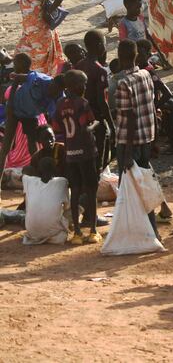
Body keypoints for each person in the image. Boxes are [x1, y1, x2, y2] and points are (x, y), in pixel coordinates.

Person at [114, 39, 160, 235]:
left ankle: (142, 230)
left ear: (119, 57)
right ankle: (149, 228)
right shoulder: (146, 75)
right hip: (147, 137)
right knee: (144, 184)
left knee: (129, 188)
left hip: (129, 141)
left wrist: (127, 152)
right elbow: (151, 106)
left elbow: (130, 117)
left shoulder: (123, 83)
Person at [53, 70, 101, 245]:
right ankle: (94, 231)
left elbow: (57, 129)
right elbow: (85, 126)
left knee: (75, 189)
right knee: (91, 189)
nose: (86, 87)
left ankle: (77, 234)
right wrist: (97, 123)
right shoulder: (82, 103)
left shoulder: (59, 105)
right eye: (85, 84)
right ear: (79, 86)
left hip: (70, 153)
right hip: (86, 151)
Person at [10, 0, 65, 76]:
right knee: (20, 57)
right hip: (28, 32)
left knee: (40, 63)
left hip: (41, 33)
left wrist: (49, 11)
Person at [75, 30, 114, 172]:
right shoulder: (100, 70)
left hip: (81, 117)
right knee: (99, 156)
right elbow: (102, 101)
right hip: (97, 117)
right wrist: (112, 125)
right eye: (104, 44)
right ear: (99, 46)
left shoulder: (79, 65)